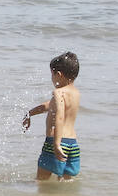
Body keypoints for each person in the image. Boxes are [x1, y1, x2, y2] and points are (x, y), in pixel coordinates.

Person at [22, 52, 81, 181]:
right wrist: (30, 113)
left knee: (41, 181)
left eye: (52, 75)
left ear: (58, 75)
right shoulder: (76, 93)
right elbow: (48, 106)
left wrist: (56, 144)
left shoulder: (58, 93)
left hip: (56, 142)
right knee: (66, 182)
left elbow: (59, 116)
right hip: (73, 145)